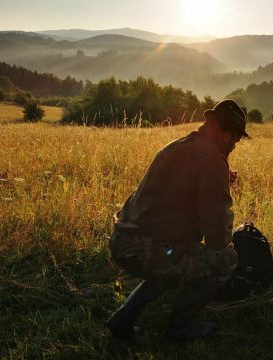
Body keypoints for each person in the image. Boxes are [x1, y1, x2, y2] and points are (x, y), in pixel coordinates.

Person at [105, 99, 248, 340]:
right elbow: (216, 230)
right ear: (225, 134)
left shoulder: (178, 145)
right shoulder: (212, 159)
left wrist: (219, 179)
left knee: (175, 260)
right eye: (235, 140)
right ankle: (181, 329)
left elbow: (178, 193)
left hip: (125, 240)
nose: (234, 146)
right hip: (147, 248)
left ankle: (122, 320)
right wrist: (223, 248)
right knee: (223, 259)